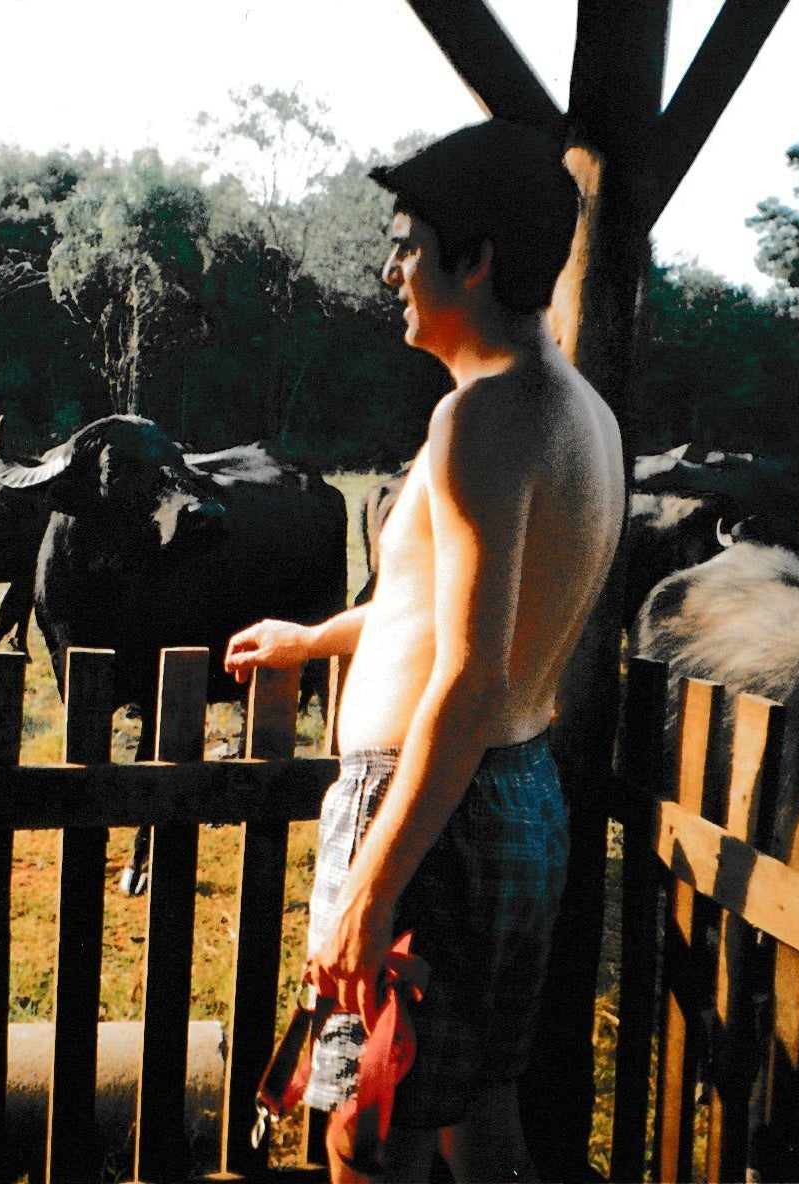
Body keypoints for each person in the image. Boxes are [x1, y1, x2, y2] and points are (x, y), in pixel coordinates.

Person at [225, 119, 623, 1182]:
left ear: (475, 259)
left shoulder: (478, 418)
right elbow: (456, 613)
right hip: (516, 797)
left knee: (365, 1125)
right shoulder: (577, 411)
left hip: (426, 811)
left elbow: (469, 672)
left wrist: (370, 892)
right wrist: (316, 638)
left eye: (407, 245)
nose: (391, 271)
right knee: (474, 1108)